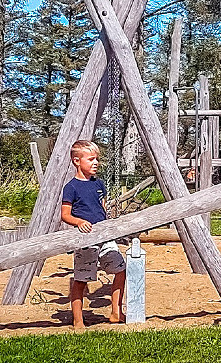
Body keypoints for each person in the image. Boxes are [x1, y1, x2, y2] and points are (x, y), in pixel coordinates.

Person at [61, 140, 126, 328]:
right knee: (81, 280)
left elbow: (102, 209)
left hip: (105, 237)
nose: (96, 162)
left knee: (121, 271)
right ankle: (78, 320)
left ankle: (116, 311)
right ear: (76, 161)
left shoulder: (99, 184)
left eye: (97, 159)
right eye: (91, 159)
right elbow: (65, 215)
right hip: (86, 239)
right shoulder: (71, 187)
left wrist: (109, 224)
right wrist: (79, 222)